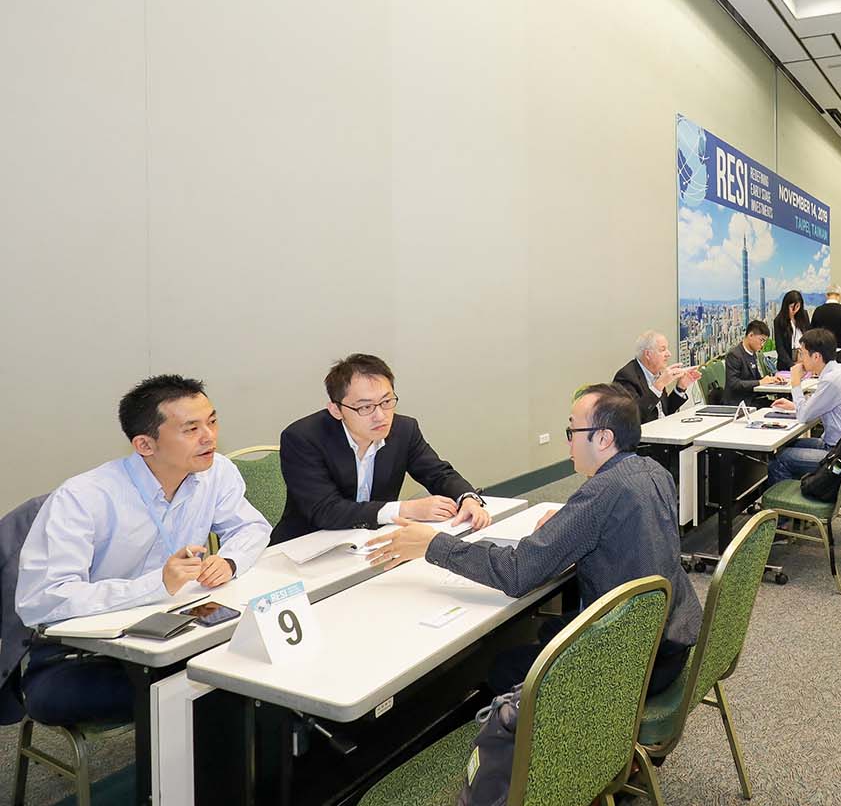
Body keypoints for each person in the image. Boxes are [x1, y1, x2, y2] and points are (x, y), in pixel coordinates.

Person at [362, 383, 703, 800]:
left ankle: (532, 776)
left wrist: (433, 544)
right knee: (542, 633)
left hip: (629, 664)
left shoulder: (602, 492)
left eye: (572, 431)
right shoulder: (651, 471)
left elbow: (519, 572)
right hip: (666, 644)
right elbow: (621, 530)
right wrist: (568, 526)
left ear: (603, 438)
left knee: (500, 666)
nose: (567, 442)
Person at [16, 375, 271, 726]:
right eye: (191, 429)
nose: (209, 436)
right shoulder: (84, 497)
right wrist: (155, 585)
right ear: (145, 445)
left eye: (212, 421)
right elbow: (43, 600)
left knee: (253, 667)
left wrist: (229, 560)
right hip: (80, 654)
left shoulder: (216, 472)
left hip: (176, 629)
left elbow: (252, 527)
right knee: (204, 688)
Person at [274, 354, 491, 544]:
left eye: (387, 402)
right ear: (336, 410)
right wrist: (405, 509)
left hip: (372, 541)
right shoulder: (303, 438)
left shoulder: (404, 429)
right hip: (306, 547)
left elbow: (438, 473)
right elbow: (325, 510)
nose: (380, 416)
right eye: (365, 407)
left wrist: (467, 498)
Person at [765, 329, 841, 485]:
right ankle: (805, 486)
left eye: (802, 354)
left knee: (780, 459)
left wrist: (795, 382)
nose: (800, 359)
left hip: (839, 455)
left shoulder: (831, 380)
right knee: (787, 444)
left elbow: (803, 417)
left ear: (816, 356)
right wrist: (795, 406)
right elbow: (819, 405)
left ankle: (793, 498)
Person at [612, 330, 702, 425]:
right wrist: (659, 385)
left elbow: (664, 411)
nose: (669, 354)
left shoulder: (656, 372)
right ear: (648, 354)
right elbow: (633, 417)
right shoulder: (626, 377)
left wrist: (681, 387)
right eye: (663, 350)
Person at [723, 320, 777, 407]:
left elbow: (756, 379)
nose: (762, 345)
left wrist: (772, 381)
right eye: (761, 340)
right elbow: (734, 383)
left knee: (781, 404)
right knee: (778, 407)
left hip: (753, 399)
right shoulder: (734, 355)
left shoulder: (753, 354)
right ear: (751, 335)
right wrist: (760, 382)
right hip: (740, 402)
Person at [811, 283, 841, 364]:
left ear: (827, 295)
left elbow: (812, 333)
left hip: (823, 355)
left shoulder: (818, 311)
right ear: (839, 296)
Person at [773, 290, 811, 373]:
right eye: (792, 307)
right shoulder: (779, 321)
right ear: (786, 306)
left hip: (803, 360)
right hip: (786, 365)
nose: (795, 310)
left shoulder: (804, 316)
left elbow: (810, 337)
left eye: (798, 306)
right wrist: (792, 365)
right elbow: (780, 347)